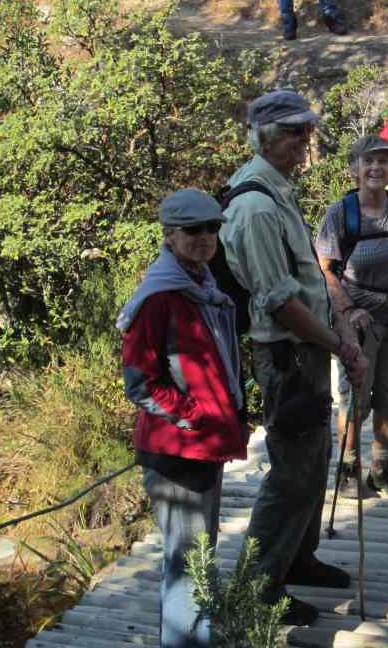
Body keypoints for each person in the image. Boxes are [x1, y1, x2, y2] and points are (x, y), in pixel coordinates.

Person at [219, 89, 368, 627]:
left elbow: (303, 281)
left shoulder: (276, 190)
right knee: (291, 473)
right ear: (266, 138)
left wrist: (336, 331)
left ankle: (298, 559)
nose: (306, 140)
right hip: (287, 355)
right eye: (295, 132)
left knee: (313, 460)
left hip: (306, 349)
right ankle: (258, 589)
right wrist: (339, 344)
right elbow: (279, 302)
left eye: (307, 130)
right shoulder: (256, 206)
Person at [118, 188, 247, 648]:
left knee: (198, 557)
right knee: (187, 563)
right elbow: (140, 383)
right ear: (169, 235)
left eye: (212, 227)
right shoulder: (159, 297)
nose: (205, 237)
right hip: (177, 450)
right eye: (193, 229)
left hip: (203, 445)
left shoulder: (202, 286)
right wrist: (195, 417)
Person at [315, 134, 388, 497]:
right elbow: (325, 269)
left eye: (384, 161)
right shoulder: (340, 213)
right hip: (358, 322)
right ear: (355, 169)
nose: (377, 168)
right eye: (369, 161)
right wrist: (348, 311)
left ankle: (382, 466)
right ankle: (348, 469)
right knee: (355, 399)